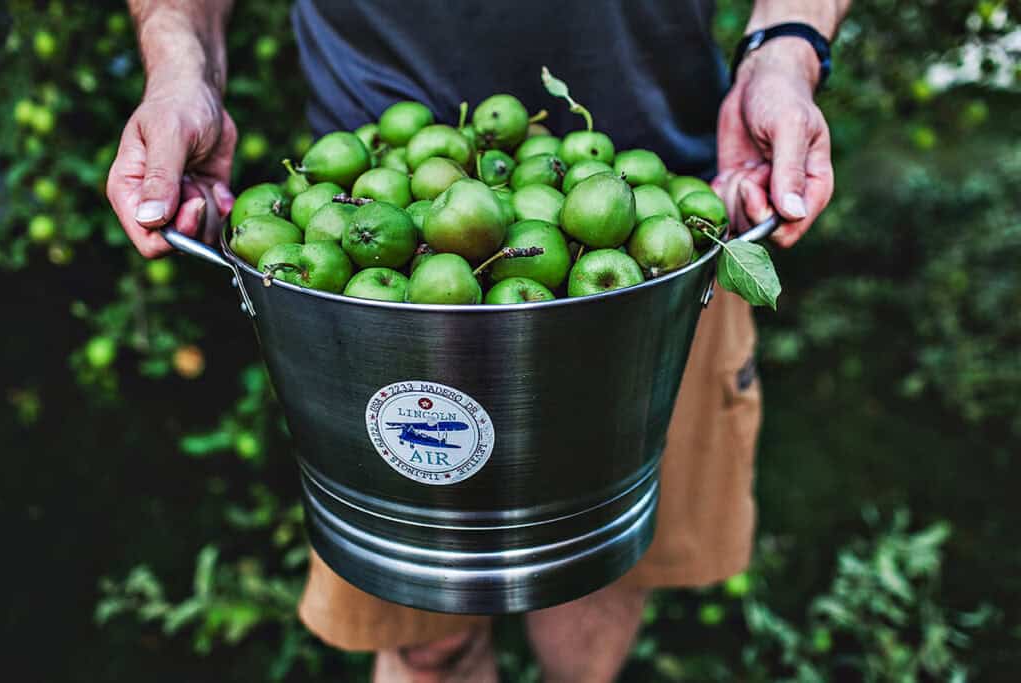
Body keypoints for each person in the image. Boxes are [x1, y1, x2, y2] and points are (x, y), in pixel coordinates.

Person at [108, 1, 850, 680]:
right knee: (421, 628)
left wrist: (786, 48)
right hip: (365, 289)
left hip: (669, 256)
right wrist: (180, 67)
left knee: (598, 569)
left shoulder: (648, 226)